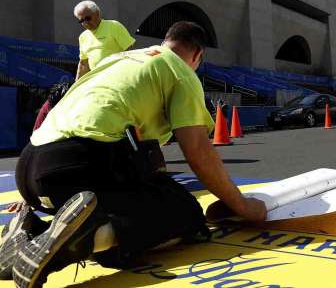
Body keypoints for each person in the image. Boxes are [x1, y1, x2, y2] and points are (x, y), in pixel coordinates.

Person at [0, 22, 267, 285]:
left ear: (165, 40)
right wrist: (242, 206)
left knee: (154, 191)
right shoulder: (179, 71)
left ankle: (32, 229)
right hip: (76, 165)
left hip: (31, 169)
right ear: (197, 55)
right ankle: (81, 240)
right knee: (185, 214)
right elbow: (197, 150)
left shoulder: (119, 59)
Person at [74, 0, 135, 79]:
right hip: (97, 80)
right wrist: (76, 86)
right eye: (81, 20)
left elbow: (130, 51)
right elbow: (83, 64)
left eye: (88, 18)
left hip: (117, 77)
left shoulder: (114, 26)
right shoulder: (83, 36)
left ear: (97, 14)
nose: (86, 22)